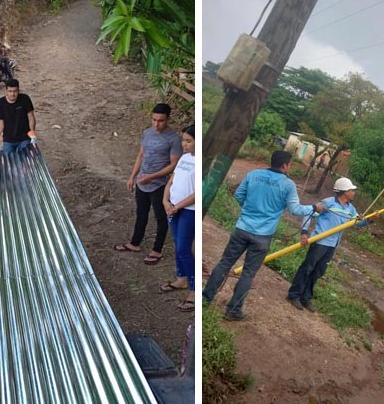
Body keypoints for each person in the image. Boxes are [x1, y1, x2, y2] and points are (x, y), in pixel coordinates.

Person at [202, 150, 326, 321]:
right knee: (248, 273)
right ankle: (233, 310)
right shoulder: (288, 185)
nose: (289, 167)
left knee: (224, 263)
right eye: (289, 164)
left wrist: (248, 211)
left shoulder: (253, 174)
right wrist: (314, 208)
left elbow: (238, 195)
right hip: (262, 236)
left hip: (242, 228)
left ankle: (205, 298)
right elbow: (295, 210)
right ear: (284, 165)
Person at [287, 177, 378, 312]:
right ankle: (294, 295)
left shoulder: (350, 209)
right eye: (352, 190)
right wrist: (304, 232)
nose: (354, 192)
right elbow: (309, 214)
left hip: (332, 245)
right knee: (307, 268)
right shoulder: (328, 203)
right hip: (320, 241)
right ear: (345, 191)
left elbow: (356, 222)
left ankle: (306, 298)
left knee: (318, 271)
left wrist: (369, 219)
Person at [114, 103, 182, 265]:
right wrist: (132, 177)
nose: (156, 124)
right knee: (141, 213)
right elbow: (141, 155)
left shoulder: (174, 139)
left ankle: (157, 250)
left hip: (160, 185)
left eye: (161, 121)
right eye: (154, 120)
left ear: (168, 119)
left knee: (161, 217)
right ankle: (135, 243)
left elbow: (173, 165)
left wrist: (152, 177)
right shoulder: (147, 133)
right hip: (142, 181)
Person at [160, 125, 196, 312]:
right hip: (172, 207)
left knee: (183, 248)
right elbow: (171, 181)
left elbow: (198, 193)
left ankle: (194, 290)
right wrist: (166, 200)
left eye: (189, 141)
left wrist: (177, 206)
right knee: (177, 244)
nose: (184, 144)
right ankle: (181, 278)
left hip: (188, 211)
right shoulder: (184, 158)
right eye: (183, 140)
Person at [0, 78, 37, 154]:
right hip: (8, 139)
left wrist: (32, 133)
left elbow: (31, 117)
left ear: (18, 90)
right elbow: (1, 122)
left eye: (15, 91)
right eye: (10, 91)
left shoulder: (25, 99)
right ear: (6, 91)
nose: (12, 94)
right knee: (9, 161)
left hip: (24, 138)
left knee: (25, 160)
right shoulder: (0, 103)